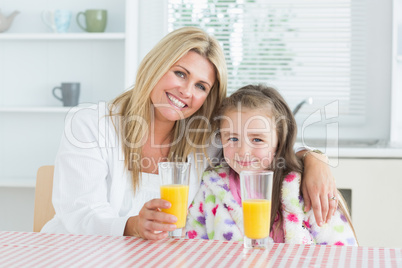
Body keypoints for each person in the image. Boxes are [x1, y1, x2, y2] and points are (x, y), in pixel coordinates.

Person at [42, 27, 337, 240]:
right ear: (156, 66)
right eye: (180, 73)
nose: (186, 91)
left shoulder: (205, 139)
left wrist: (314, 159)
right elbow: (78, 213)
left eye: (201, 86)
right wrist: (131, 226)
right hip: (81, 255)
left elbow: (261, 147)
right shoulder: (91, 124)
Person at [186, 84, 358, 245]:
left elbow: (342, 252)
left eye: (257, 139)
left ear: (279, 142)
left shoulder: (306, 189)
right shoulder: (210, 188)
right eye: (233, 138)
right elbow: (192, 248)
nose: (243, 151)